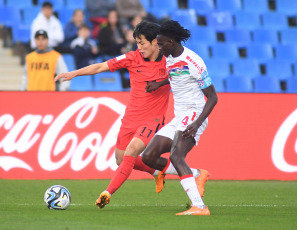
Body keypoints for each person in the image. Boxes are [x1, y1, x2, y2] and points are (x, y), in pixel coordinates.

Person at [54, 21, 207, 210]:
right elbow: (101, 66)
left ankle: (107, 193)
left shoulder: (168, 61)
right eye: (137, 43)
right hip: (130, 118)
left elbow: (183, 75)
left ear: (154, 42)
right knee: (121, 160)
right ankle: (161, 172)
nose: (139, 47)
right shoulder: (131, 57)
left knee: (131, 151)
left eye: (142, 43)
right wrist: (73, 73)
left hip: (153, 119)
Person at [142, 20, 218, 215]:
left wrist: (197, 122)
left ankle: (199, 207)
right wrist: (159, 84)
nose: (158, 47)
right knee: (148, 157)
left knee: (176, 156)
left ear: (172, 41)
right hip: (179, 115)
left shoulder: (194, 62)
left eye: (160, 43)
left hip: (194, 113)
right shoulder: (169, 57)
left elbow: (213, 96)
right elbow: (175, 74)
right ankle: (196, 174)